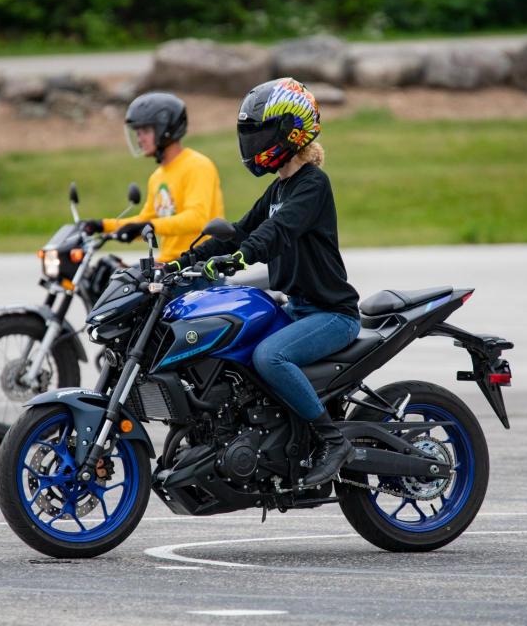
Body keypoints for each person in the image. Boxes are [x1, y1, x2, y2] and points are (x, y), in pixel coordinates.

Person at [174, 77, 361, 488]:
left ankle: (332, 441)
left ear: (290, 132)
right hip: (298, 308)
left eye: (260, 133)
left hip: (331, 313)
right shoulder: (279, 187)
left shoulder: (312, 184)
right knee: (239, 352)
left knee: (269, 358)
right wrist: (182, 262)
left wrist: (240, 257)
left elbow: (276, 231)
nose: (254, 143)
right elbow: (239, 230)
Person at [80, 92, 225, 264]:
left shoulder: (197, 165)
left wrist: (150, 226)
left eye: (146, 131)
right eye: (138, 132)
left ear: (167, 129)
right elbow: (145, 221)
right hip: (170, 265)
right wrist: (101, 225)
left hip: (199, 266)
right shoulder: (157, 176)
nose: (140, 139)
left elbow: (197, 218)